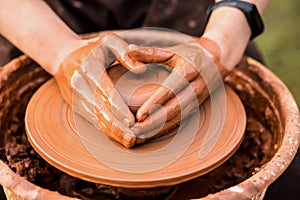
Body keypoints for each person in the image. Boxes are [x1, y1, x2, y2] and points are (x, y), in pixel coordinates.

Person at [0, 0, 298, 199]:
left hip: (196, 9)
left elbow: (226, 34)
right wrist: (58, 51)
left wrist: (221, 42)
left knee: (288, 180)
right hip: (40, 13)